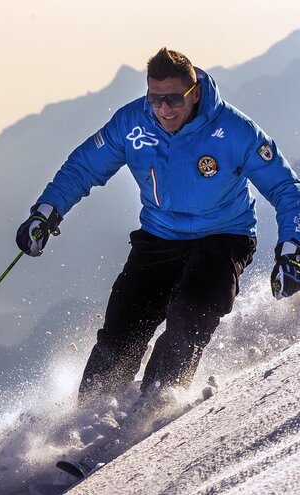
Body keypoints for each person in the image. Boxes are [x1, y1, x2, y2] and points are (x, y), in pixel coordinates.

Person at [16, 47, 300, 408]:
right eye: (155, 98)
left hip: (223, 238)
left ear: (194, 93)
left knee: (188, 318)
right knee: (119, 338)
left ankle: (149, 410)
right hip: (158, 238)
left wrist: (292, 248)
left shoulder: (234, 130)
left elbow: (285, 188)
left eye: (173, 99)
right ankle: (84, 422)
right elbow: (83, 167)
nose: (163, 109)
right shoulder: (132, 123)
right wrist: (46, 212)